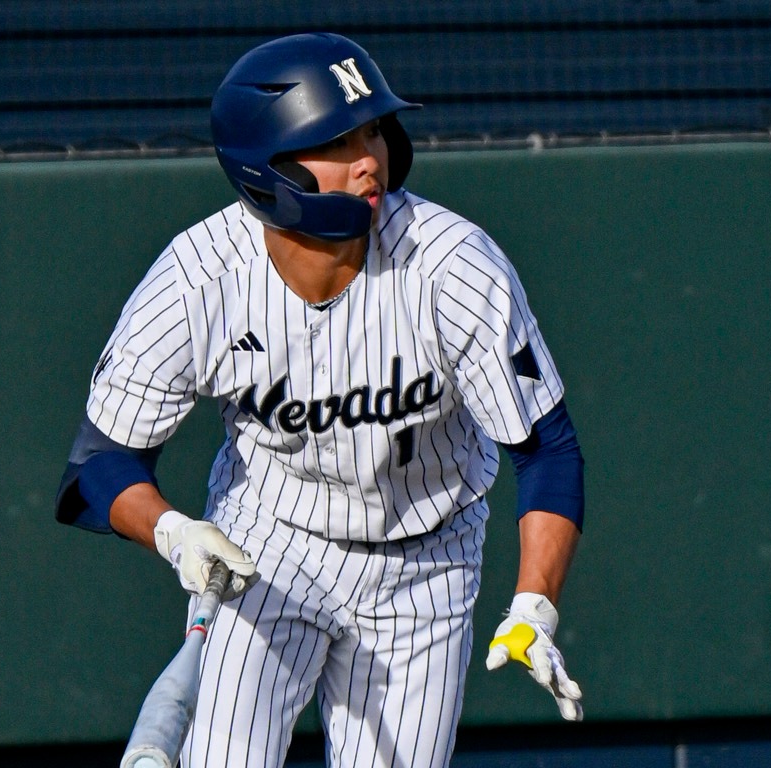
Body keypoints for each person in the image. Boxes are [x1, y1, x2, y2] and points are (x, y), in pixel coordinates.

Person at [56, 32, 585, 768]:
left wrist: (534, 601)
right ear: (264, 169)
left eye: (373, 129)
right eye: (336, 141)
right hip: (267, 548)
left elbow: (546, 448)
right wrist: (175, 533)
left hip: (427, 563)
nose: (369, 158)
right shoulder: (196, 281)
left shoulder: (451, 265)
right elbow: (98, 466)